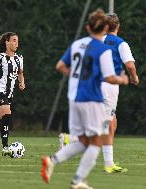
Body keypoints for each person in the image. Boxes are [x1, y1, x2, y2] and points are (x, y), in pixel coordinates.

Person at [41, 9, 129, 189]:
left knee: (83, 141)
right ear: (105, 27)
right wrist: (123, 79)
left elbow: (60, 66)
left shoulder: (77, 44)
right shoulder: (103, 50)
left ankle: (52, 161)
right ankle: (77, 180)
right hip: (91, 99)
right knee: (96, 142)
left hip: (74, 98)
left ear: (88, 27)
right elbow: (110, 78)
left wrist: (77, 76)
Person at [58, 13, 139, 174]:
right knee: (106, 124)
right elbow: (129, 65)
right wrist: (134, 78)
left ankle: (108, 162)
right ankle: (72, 140)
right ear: (118, 26)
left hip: (93, 84)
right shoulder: (121, 44)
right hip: (109, 85)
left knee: (110, 122)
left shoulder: (96, 41)